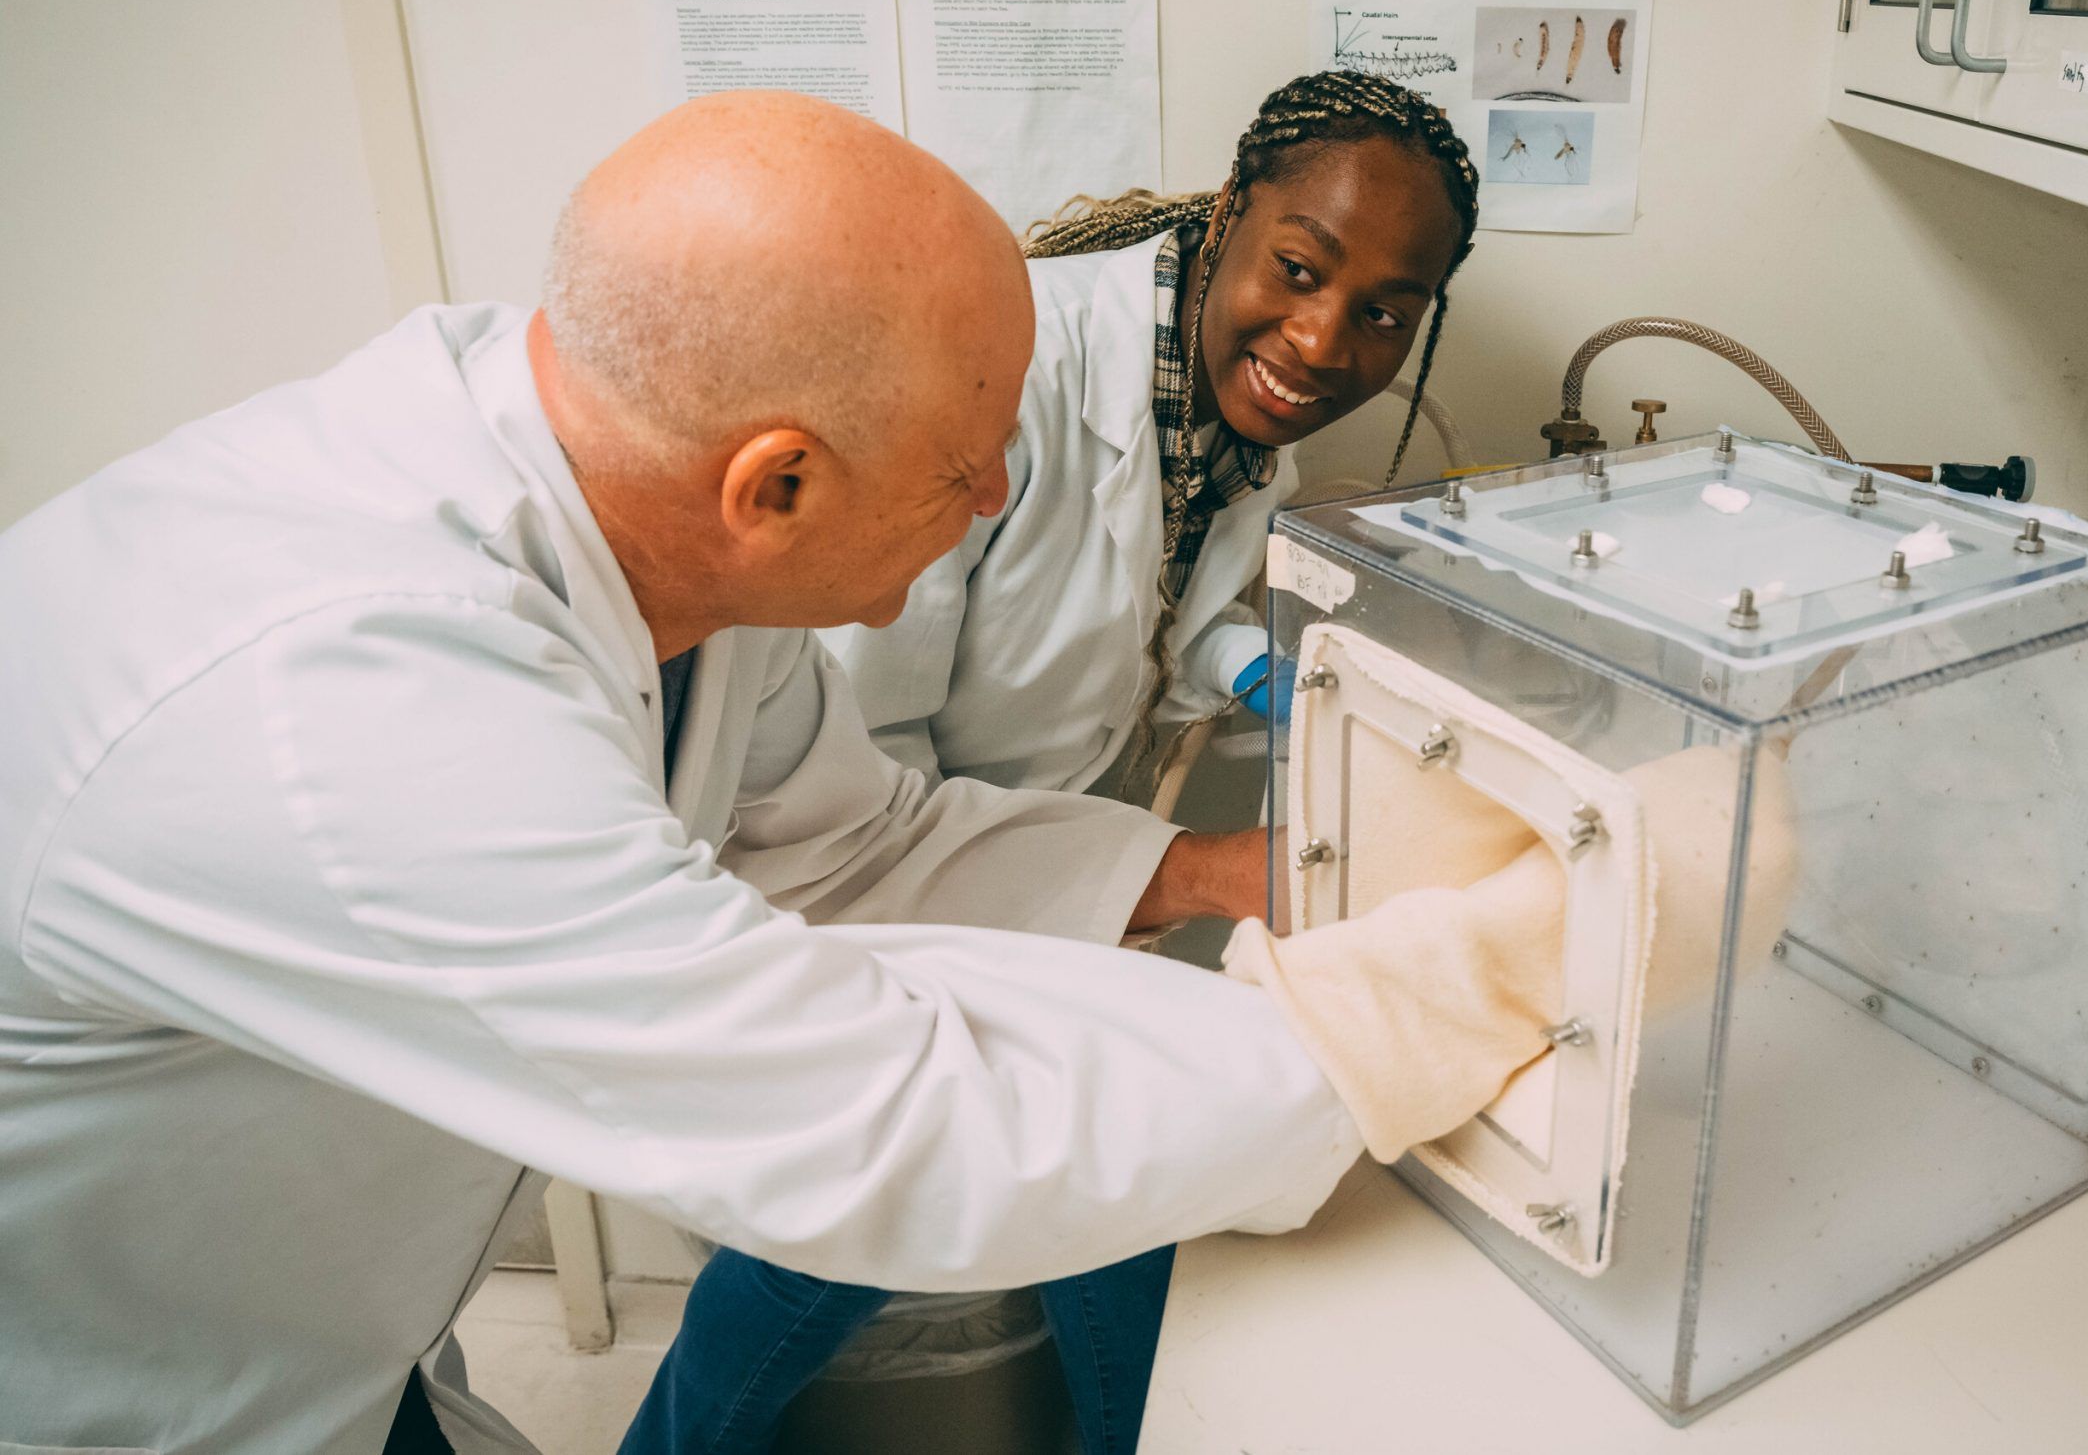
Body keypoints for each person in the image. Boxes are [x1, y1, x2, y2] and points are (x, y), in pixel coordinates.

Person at [0, 93, 1552, 1455]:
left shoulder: (628, 517)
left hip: (321, 1329)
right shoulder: (350, 703)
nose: (1005, 497)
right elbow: (869, 1120)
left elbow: (850, 843)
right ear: (780, 484)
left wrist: (1217, 874)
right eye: (969, 467)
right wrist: (1432, 1005)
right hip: (111, 1400)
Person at [626, 72, 1480, 1455]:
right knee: (842, 1225)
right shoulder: (1009, 376)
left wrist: (1250, 668)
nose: (1324, 339)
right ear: (1231, 216)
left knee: (1126, 1184)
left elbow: (1161, 617)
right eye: (1300, 268)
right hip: (884, 866)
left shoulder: (1235, 411)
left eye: (1384, 311)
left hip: (1028, 855)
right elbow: (865, 739)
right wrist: (1096, 908)